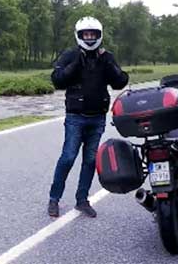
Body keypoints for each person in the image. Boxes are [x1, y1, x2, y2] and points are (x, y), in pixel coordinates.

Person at [47, 17, 129, 218]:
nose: (90, 37)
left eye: (93, 34)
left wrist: (108, 64)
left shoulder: (106, 57)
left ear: (99, 35)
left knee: (90, 160)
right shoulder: (70, 55)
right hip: (75, 116)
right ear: (80, 35)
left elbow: (120, 81)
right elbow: (57, 80)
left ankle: (82, 200)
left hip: (97, 117)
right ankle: (54, 199)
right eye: (86, 34)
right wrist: (75, 63)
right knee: (68, 158)